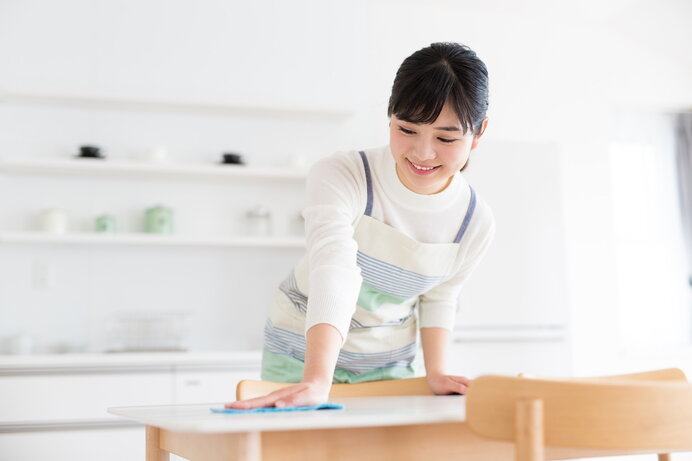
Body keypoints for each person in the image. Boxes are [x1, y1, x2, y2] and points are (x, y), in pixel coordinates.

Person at [227, 42, 495, 410]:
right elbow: (334, 266)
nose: (422, 152)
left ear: (478, 134)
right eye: (407, 129)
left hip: (387, 364)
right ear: (389, 116)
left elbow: (440, 296)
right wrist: (316, 380)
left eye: (446, 138)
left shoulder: (474, 221)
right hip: (301, 354)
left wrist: (436, 372)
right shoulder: (344, 175)